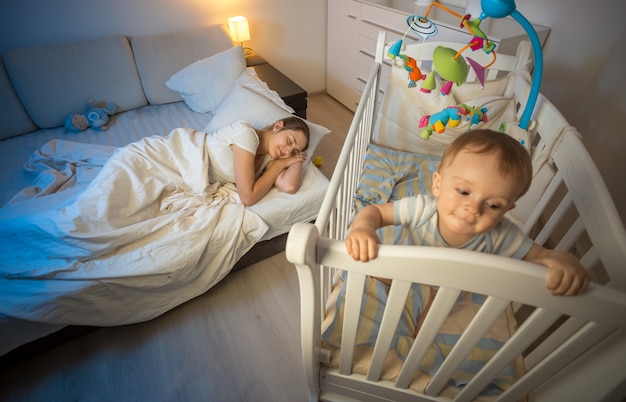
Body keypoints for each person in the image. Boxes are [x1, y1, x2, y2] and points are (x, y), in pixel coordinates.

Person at [345, 129, 590, 297]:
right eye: (463, 191)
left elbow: (539, 254)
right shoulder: (423, 209)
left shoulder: (501, 234)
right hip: (410, 267)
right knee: (370, 265)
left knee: (435, 315)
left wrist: (562, 259)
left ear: (507, 209)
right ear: (438, 184)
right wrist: (363, 227)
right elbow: (375, 211)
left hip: (450, 289)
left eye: (493, 205)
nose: (473, 209)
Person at [206, 116, 310, 206]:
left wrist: (298, 158)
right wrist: (280, 165)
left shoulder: (269, 158)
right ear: (277, 126)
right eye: (290, 141)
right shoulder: (246, 134)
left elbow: (289, 186)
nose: (288, 151)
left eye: (294, 151)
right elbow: (248, 197)